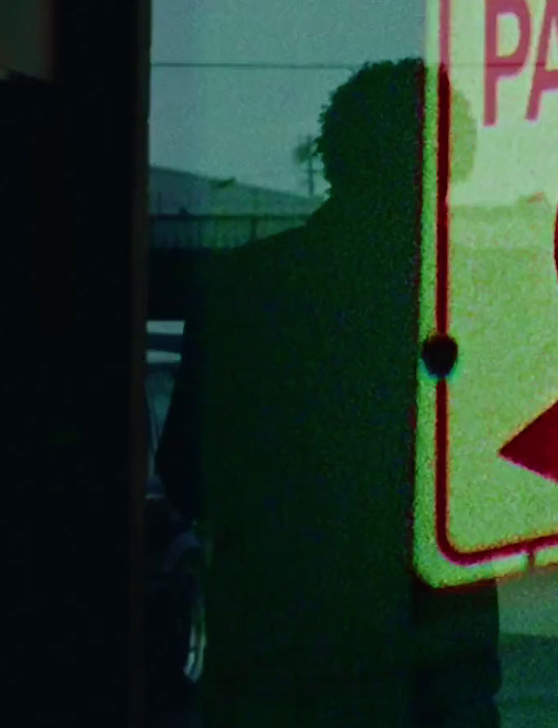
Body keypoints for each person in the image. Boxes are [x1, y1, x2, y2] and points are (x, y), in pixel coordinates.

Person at [156, 59, 499, 728]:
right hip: (433, 670)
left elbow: (188, 472)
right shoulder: (467, 308)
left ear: (335, 158)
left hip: (276, 660)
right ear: (446, 171)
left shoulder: (244, 289)